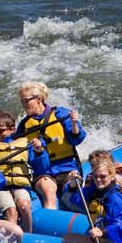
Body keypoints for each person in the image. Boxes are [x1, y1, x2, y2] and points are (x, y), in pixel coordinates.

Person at [16, 81, 87, 209]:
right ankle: (51, 225)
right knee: (49, 193)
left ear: (39, 99)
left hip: (67, 167)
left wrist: (75, 124)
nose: (24, 105)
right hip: (44, 172)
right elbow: (13, 144)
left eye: (26, 101)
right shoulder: (24, 126)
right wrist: (38, 152)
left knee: (72, 191)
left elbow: (76, 139)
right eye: (22, 102)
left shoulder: (61, 114)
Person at [58, 160, 122, 243]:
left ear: (112, 176)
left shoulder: (115, 197)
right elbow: (73, 199)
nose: (99, 180)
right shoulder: (95, 192)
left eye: (103, 177)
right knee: (67, 239)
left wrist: (103, 231)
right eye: (96, 177)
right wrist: (72, 185)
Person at [0, 110, 49, 232]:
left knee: (25, 206)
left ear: (12, 129)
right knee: (11, 211)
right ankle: (13, 238)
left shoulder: (24, 144)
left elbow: (41, 168)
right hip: (0, 188)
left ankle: (28, 234)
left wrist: (39, 152)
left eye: (1, 130)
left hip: (20, 186)